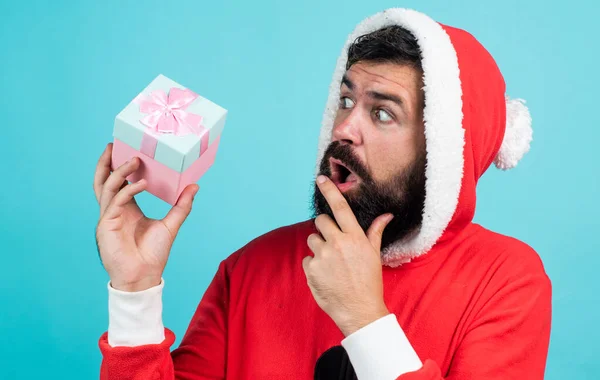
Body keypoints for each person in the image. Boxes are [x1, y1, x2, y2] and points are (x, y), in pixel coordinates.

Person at [94, 8, 551, 380]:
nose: (345, 128)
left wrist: (365, 320)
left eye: (384, 114)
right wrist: (135, 292)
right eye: (347, 101)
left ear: (443, 148)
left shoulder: (507, 281)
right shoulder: (250, 268)